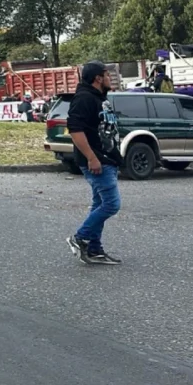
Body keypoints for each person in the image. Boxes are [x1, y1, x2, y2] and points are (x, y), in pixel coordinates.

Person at [66, 61, 122, 265]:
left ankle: (94, 249)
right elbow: (75, 130)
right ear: (98, 78)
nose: (110, 78)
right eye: (107, 75)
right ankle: (80, 238)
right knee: (111, 204)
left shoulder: (99, 97)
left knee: (100, 204)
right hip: (96, 160)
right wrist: (92, 157)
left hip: (107, 158)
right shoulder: (84, 98)